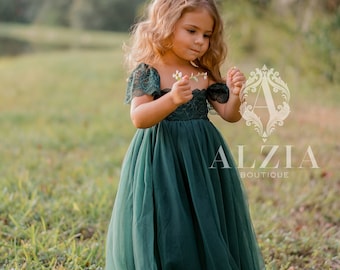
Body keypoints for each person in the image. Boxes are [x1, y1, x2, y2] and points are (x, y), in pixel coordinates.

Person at [105, 0, 265, 269]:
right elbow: (139, 118)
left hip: (202, 157)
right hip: (162, 159)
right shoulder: (148, 71)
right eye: (191, 31)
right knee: (170, 215)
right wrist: (172, 100)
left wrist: (236, 96)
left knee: (203, 212)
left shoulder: (202, 73)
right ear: (166, 25)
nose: (200, 41)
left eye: (207, 35)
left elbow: (229, 114)